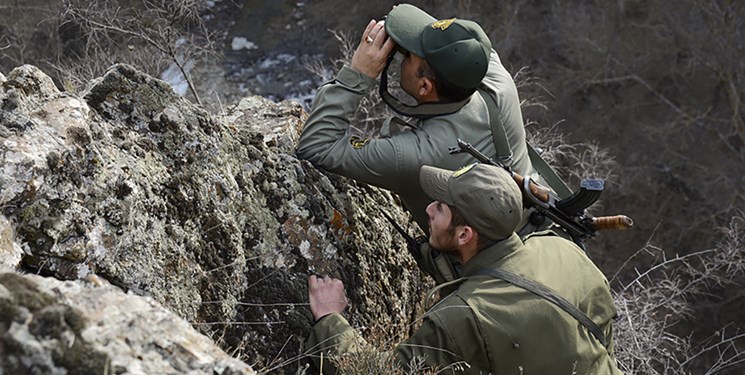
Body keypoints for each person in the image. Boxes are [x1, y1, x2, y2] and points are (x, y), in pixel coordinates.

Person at [304, 163, 622, 374]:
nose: (428, 208)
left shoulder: (461, 317)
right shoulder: (563, 249)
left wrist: (331, 321)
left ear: (465, 234)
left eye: (440, 208)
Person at [296, 4, 543, 234]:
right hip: (541, 222)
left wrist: (358, 75)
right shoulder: (494, 77)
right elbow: (453, 43)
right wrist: (402, 25)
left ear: (425, 86)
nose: (401, 55)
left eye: (408, 56)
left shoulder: (417, 155)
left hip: (490, 270)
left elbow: (316, 146)